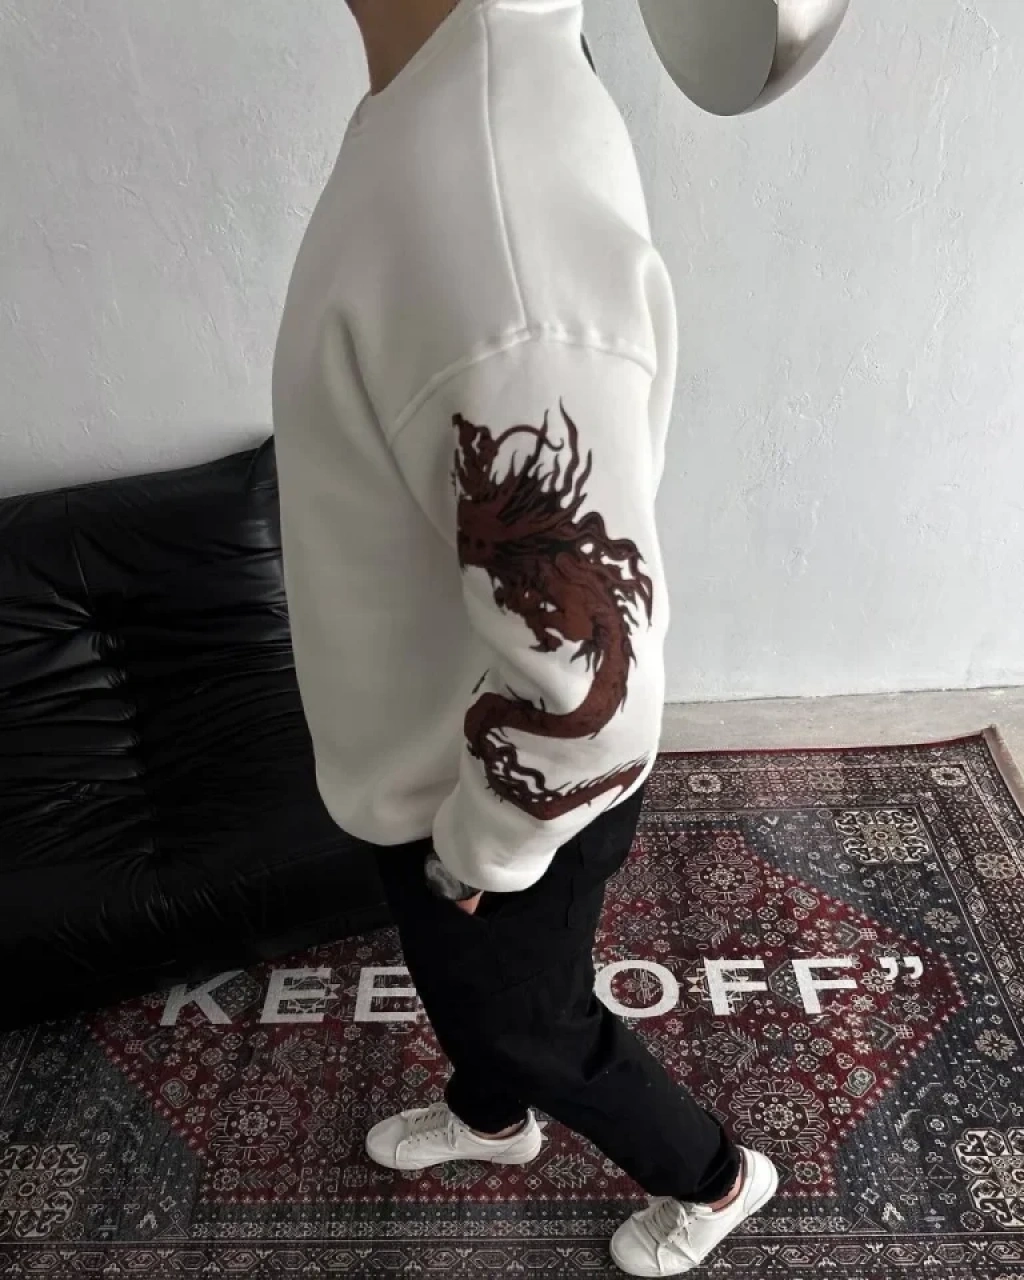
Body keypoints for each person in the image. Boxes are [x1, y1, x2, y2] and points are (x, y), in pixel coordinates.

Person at [271, 1, 778, 1273]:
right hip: (438, 732)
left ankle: (710, 1174)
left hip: (490, 781)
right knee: (474, 989)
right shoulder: (466, 89)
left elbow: (600, 695)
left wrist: (477, 848)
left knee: (530, 1012)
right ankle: (494, 1115)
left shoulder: (482, 215)